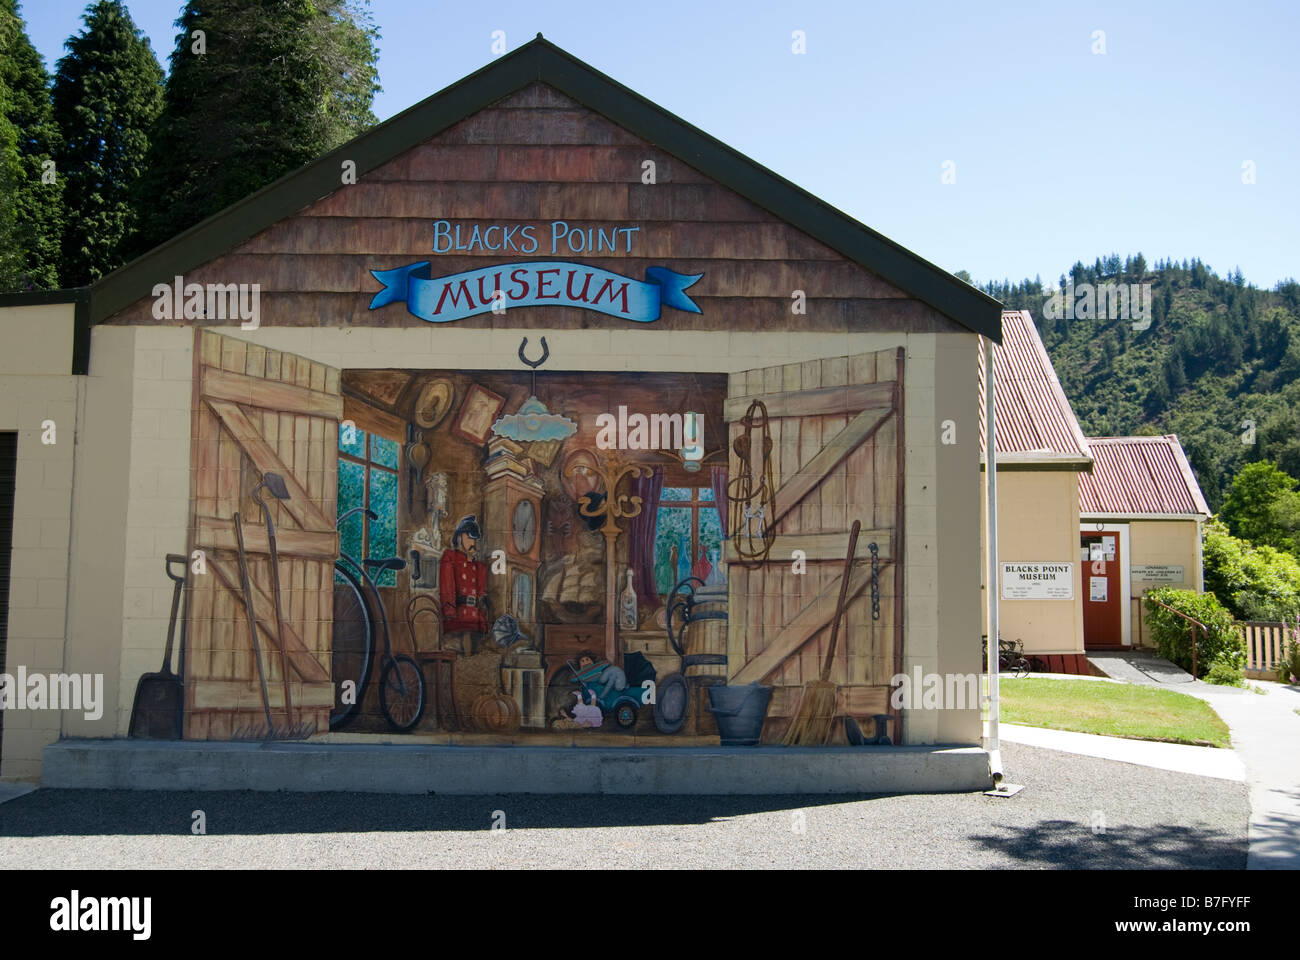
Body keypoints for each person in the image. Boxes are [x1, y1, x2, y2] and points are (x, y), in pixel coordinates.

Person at [440, 515, 488, 633]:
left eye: (474, 539)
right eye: (469, 538)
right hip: (458, 619)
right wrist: (449, 613)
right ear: (459, 538)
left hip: (476, 620)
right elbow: (447, 589)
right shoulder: (450, 557)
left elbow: (481, 595)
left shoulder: (479, 566)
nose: (473, 542)